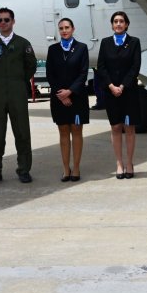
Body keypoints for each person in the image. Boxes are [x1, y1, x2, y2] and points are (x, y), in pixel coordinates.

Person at [0, 7, 37, 185]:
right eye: (0, 20)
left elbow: (31, 66)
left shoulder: (23, 44)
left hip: (17, 94)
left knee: (22, 132)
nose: (3, 23)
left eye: (6, 20)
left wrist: (18, 81)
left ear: (13, 21)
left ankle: (24, 170)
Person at [96, 11, 141, 179]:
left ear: (127, 24)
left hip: (128, 91)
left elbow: (135, 67)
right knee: (115, 127)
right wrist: (111, 86)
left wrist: (122, 86)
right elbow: (101, 67)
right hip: (111, 92)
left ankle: (129, 163)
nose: (118, 24)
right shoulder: (105, 43)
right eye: (115, 21)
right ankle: (119, 163)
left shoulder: (134, 42)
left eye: (121, 21)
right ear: (112, 25)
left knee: (129, 128)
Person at [46, 17, 90, 182]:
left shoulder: (81, 48)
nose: (64, 31)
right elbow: (50, 74)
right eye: (61, 28)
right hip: (59, 98)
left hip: (77, 97)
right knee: (63, 132)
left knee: (77, 131)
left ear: (73, 29)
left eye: (67, 27)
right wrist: (61, 94)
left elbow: (83, 73)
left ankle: (76, 168)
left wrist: (70, 92)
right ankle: (66, 168)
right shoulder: (53, 49)